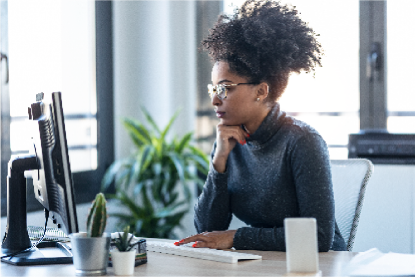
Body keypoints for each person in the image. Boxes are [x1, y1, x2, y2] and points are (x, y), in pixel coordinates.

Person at [175, 0, 346, 251]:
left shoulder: (302, 141)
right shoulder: (227, 140)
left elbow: (319, 237)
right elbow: (206, 230)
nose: (214, 99)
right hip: (264, 265)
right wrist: (219, 164)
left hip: (318, 266)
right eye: (213, 88)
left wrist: (237, 237)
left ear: (261, 91)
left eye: (224, 88)